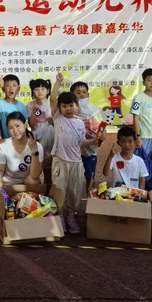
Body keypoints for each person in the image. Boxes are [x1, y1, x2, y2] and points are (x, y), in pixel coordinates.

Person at [49, 72, 98, 234]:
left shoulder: (80, 123)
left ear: (77, 105)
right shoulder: (58, 118)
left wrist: (95, 141)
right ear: (59, 108)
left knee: (75, 192)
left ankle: (71, 216)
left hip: (76, 162)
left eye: (71, 105)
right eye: (64, 106)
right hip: (60, 162)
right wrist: (58, 82)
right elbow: (52, 99)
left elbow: (82, 143)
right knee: (60, 191)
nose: (68, 109)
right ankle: (60, 217)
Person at [0, 112, 43, 190]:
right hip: (9, 185)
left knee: (33, 180)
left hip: (27, 184)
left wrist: (34, 152)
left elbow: (35, 175)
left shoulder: (37, 146)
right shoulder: (4, 145)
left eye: (17, 126)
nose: (15, 130)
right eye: (11, 128)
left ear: (25, 124)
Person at [71, 81, 103, 194]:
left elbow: (100, 127)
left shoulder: (94, 110)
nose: (81, 94)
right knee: (74, 176)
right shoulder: (69, 110)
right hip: (74, 148)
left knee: (90, 174)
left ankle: (90, 195)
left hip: (90, 147)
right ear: (72, 95)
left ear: (88, 94)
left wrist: (100, 134)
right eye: (78, 92)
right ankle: (74, 197)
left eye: (84, 92)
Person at [0, 74, 28, 142]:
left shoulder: (22, 106)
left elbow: (25, 124)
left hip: (20, 141)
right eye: (7, 86)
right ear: (3, 89)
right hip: (6, 141)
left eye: (14, 86)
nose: (11, 88)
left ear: (19, 88)